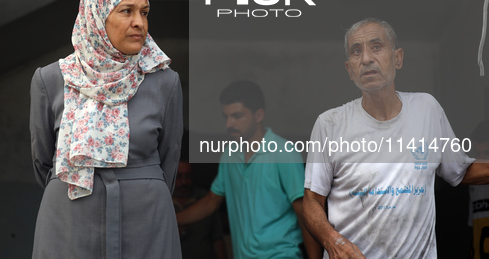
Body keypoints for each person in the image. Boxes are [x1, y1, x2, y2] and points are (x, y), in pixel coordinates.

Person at [303, 17, 489, 259]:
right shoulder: (329, 124)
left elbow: (460, 171)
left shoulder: (427, 110)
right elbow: (311, 200)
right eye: (356, 51)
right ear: (349, 69)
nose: (367, 58)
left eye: (376, 46)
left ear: (398, 58)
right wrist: (333, 241)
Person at [29, 0, 183, 259]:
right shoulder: (51, 79)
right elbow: (43, 160)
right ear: (96, 15)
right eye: (126, 11)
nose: (139, 22)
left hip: (147, 218)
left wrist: (141, 185)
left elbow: (169, 159)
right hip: (70, 218)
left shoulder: (165, 82)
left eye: (144, 12)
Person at [177, 80, 321, 259]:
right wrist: (172, 220)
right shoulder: (229, 154)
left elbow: (304, 213)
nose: (229, 123)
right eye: (226, 117)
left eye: (237, 116)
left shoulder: (284, 153)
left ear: (259, 115)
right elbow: (211, 201)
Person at [173, 160, 227, 259]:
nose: (184, 182)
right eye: (179, 176)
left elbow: (217, 239)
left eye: (188, 176)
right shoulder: (162, 203)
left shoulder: (204, 197)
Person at [469, 120, 489, 259]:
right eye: (478, 153)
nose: (481, 159)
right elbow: (472, 227)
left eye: (486, 153)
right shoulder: (473, 183)